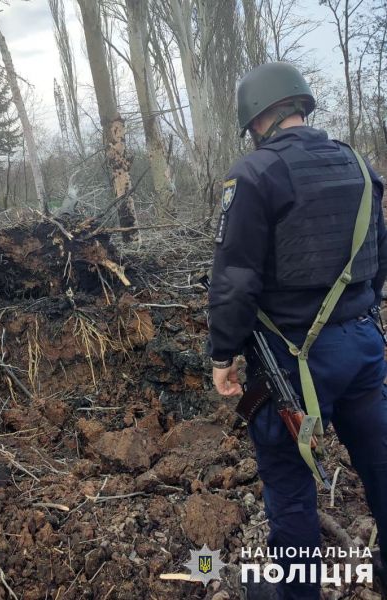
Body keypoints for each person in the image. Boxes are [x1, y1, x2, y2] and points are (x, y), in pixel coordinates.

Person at [207, 62, 387, 599]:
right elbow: (378, 261)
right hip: (363, 346)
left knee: (288, 482)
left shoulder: (254, 174)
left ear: (259, 117)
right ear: (301, 106)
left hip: (292, 361)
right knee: (380, 464)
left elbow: (235, 281)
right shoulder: (360, 165)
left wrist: (223, 356)